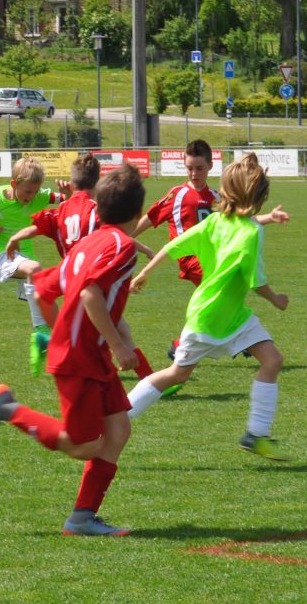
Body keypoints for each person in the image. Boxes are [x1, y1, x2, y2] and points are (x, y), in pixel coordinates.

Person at [0, 164, 149, 537]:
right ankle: (7, 409)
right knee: (81, 446)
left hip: (87, 354)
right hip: (82, 358)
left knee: (118, 430)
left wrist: (59, 332)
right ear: (137, 213)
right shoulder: (121, 247)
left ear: (99, 207)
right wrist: (117, 344)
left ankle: (82, 518)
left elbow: (44, 289)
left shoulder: (88, 244)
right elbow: (91, 293)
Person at [125, 153, 292, 460]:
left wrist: (145, 272)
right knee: (176, 374)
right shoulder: (251, 232)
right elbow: (255, 281)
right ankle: (118, 416)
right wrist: (276, 299)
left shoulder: (216, 221)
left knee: (272, 360)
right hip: (212, 317)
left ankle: (256, 435)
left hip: (230, 316)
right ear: (257, 196)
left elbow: (172, 246)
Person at [4, 152, 156, 378]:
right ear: (97, 184)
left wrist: (15, 238)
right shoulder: (96, 210)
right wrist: (145, 249)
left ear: (73, 183)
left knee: (111, 329)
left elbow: (38, 226)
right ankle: (150, 380)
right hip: (91, 279)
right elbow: (114, 235)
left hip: (69, 278)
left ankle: (144, 377)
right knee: (118, 330)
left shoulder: (63, 209)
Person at [0, 157, 70, 375]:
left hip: (23, 255)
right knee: (35, 269)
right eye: (27, 192)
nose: (31, 197)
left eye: (34, 192)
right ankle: (40, 333)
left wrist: (69, 193)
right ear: (13, 184)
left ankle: (57, 346)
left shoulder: (38, 196)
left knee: (49, 292)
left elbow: (66, 199)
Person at [133, 139, 220, 360]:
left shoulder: (216, 197)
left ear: (210, 166)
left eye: (199, 168)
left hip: (211, 258)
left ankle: (182, 345)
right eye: (189, 168)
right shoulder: (178, 194)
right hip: (189, 258)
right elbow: (152, 217)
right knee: (219, 291)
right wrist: (126, 236)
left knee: (217, 299)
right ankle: (241, 338)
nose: (194, 174)